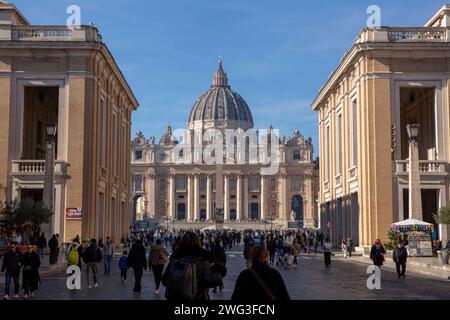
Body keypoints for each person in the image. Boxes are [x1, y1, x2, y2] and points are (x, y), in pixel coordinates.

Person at [162, 231, 222, 301]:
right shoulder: (204, 258)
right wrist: (219, 272)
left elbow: (164, 280)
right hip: (198, 297)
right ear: (197, 241)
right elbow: (210, 281)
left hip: (176, 297)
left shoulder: (175, 257)